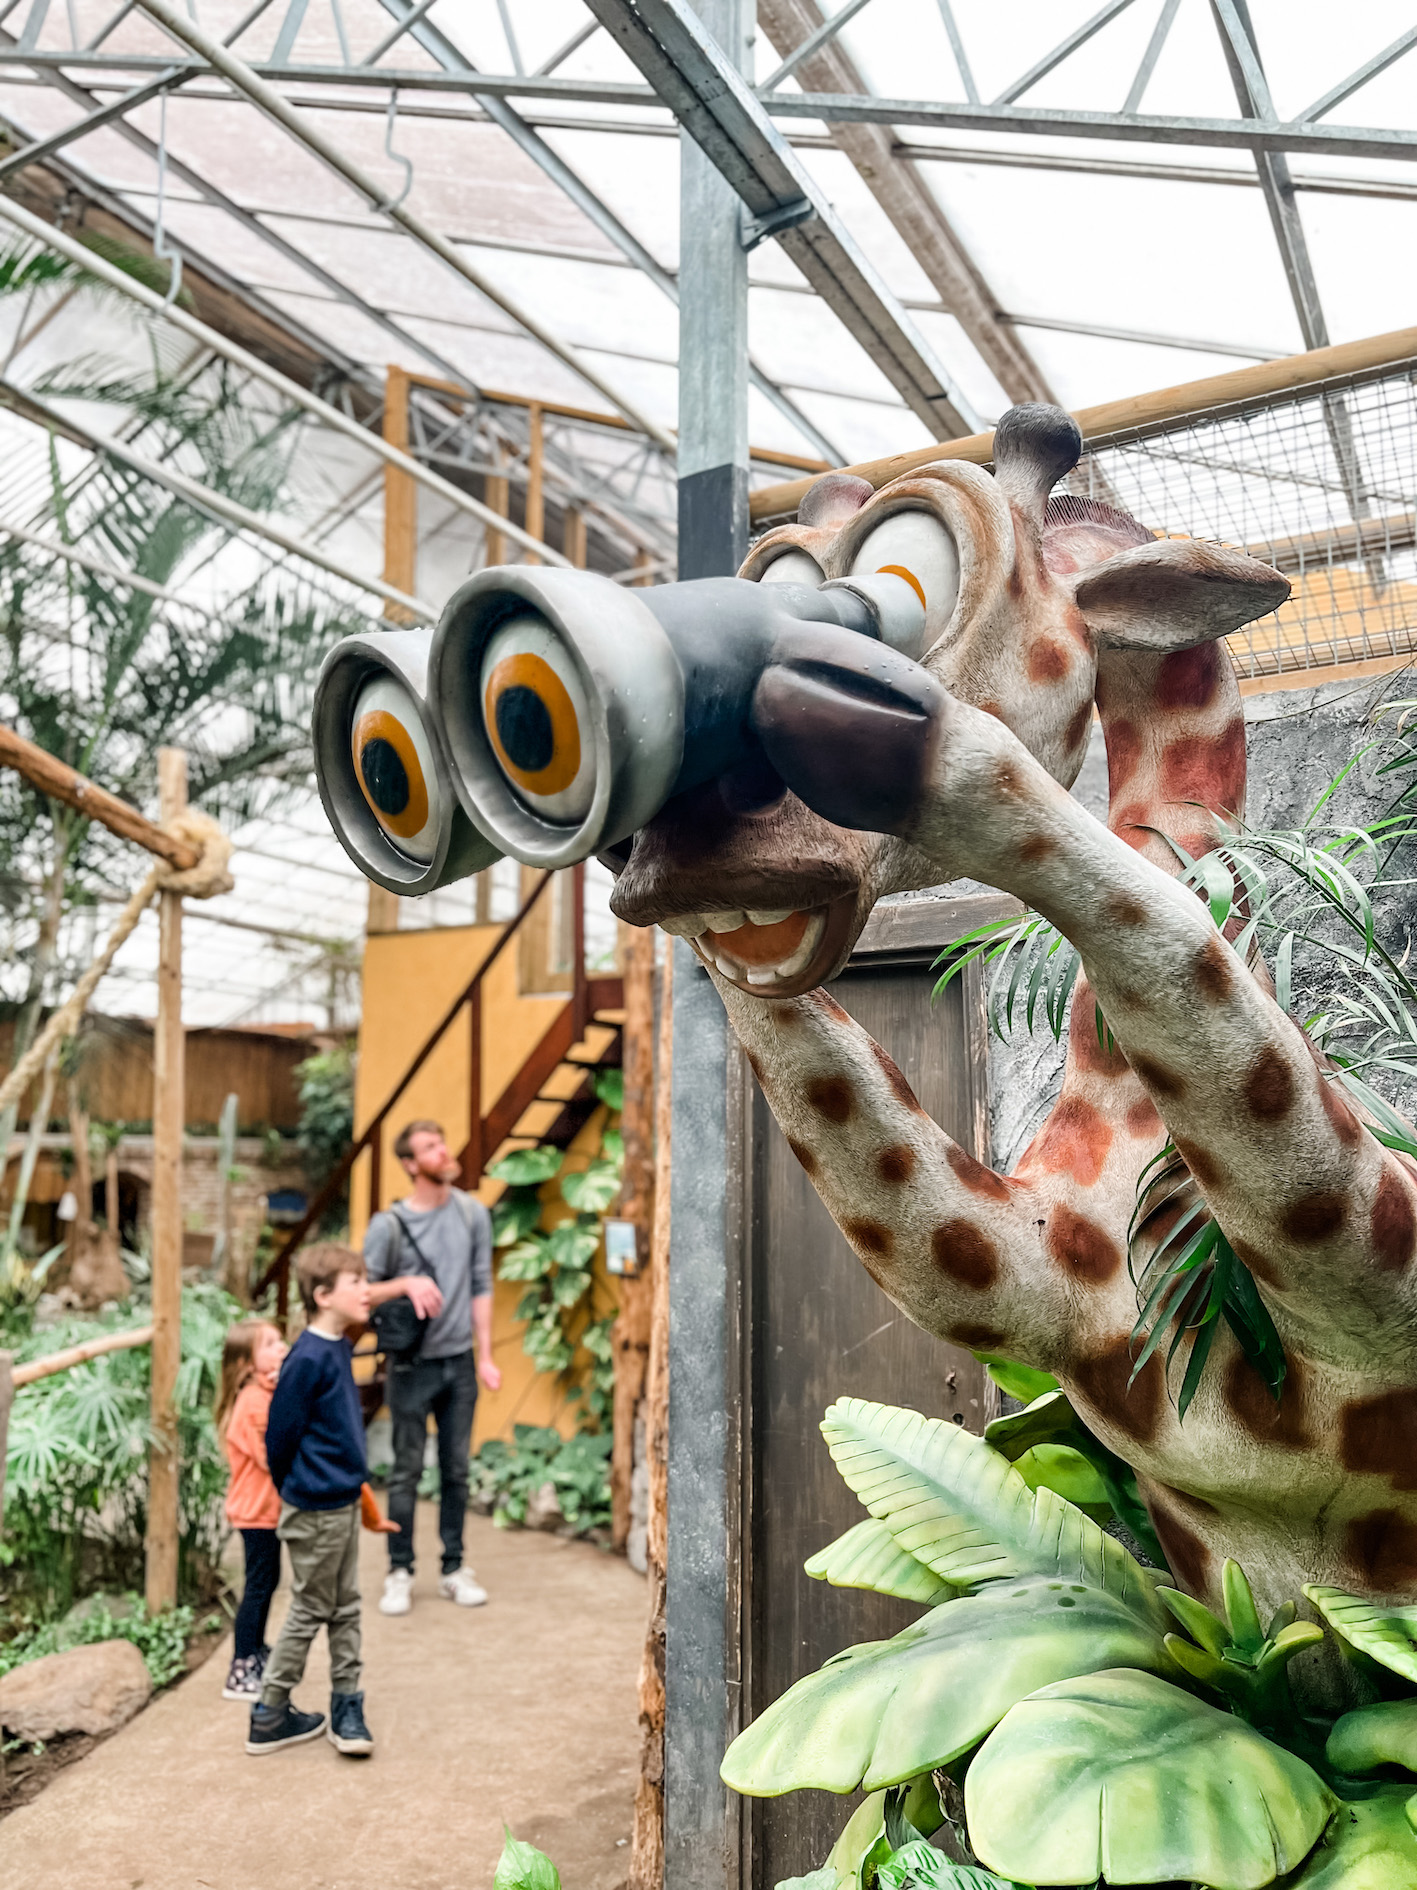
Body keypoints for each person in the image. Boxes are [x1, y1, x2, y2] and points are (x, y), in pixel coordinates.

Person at [247, 1243, 396, 1759]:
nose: (366, 1289)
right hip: (316, 1509)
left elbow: (340, 1432)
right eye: (355, 1282)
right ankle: (269, 1712)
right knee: (314, 1606)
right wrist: (304, 1489)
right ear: (323, 1295)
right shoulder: (306, 1359)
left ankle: (346, 1706)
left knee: (345, 1605)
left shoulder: (337, 1346)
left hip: (341, 1503)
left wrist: (352, 1484)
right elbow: (279, 1443)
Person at [364, 1119, 501, 1616]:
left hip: (459, 1364)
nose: (443, 1151)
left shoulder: (471, 1215)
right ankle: (399, 1571)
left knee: (456, 1471)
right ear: (409, 1164)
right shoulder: (389, 1226)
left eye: (441, 1142)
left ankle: (453, 1568)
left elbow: (482, 1284)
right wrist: (405, 1284)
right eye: (429, 1147)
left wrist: (485, 1355)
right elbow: (363, 1293)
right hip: (409, 1366)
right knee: (404, 1472)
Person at [215, 1318, 287, 1703]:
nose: (281, 1347)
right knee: (258, 1586)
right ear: (246, 1364)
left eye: (279, 1340)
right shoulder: (252, 1404)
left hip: (267, 1512)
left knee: (268, 1582)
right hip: (255, 1513)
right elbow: (270, 1455)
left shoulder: (263, 1394)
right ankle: (240, 1667)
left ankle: (256, 1649)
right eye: (269, 1344)